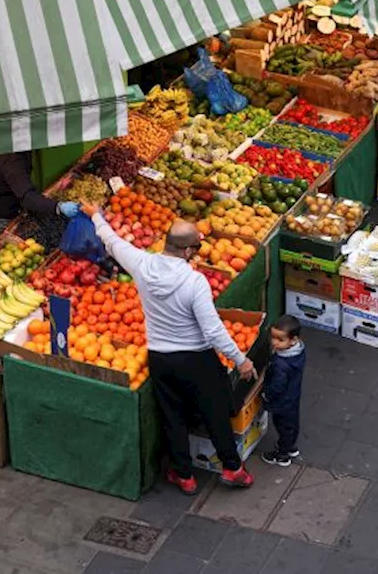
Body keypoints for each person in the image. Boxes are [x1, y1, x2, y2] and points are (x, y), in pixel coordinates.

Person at [81, 204, 256, 494]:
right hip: (197, 358)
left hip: (161, 358)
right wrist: (241, 360)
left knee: (173, 416)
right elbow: (212, 329)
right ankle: (232, 468)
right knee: (214, 412)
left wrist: (95, 214)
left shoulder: (142, 263)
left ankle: (184, 475)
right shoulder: (194, 281)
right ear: (188, 252)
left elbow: (111, 241)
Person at [0, 152, 79, 236]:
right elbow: (27, 197)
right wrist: (58, 206)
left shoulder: (12, 149)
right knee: (9, 244)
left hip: (2, 198)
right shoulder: (11, 161)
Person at [261, 315, 307, 467]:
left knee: (282, 425)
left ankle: (282, 454)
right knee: (292, 424)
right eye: (273, 337)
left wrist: (267, 395)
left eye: (280, 340)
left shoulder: (281, 365)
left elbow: (277, 386)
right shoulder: (298, 352)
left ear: (292, 340)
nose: (274, 342)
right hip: (293, 396)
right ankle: (291, 447)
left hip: (282, 401)